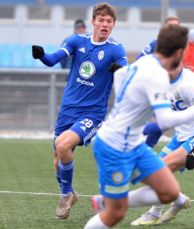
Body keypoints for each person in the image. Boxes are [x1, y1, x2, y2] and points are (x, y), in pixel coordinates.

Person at [83, 25, 194, 229]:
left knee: (169, 191)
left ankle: (106, 201)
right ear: (179, 53)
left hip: (134, 144)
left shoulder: (144, 62)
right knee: (115, 214)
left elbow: (119, 75)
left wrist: (126, 107)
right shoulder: (158, 75)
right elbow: (164, 121)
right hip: (114, 146)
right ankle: (108, 204)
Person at [31, 2, 127, 219]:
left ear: (113, 25)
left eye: (109, 21)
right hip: (68, 110)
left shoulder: (115, 49)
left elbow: (126, 72)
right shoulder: (77, 40)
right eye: (101, 20)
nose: (105, 24)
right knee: (58, 160)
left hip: (92, 114)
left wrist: (121, 71)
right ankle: (70, 193)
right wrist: (42, 55)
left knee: (63, 144)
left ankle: (65, 195)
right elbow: (53, 59)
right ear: (93, 21)